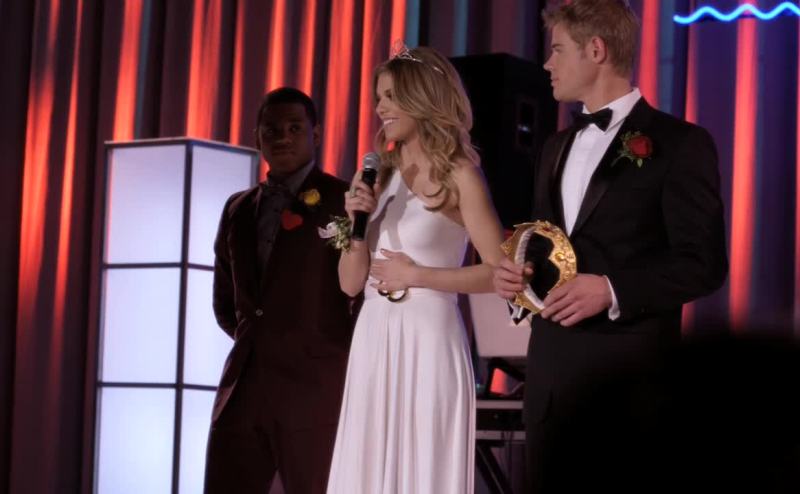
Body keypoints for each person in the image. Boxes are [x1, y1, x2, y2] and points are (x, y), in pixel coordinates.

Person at [492, 1, 728, 492]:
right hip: (550, 385)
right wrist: (518, 277)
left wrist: (612, 289)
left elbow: (703, 263)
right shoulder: (554, 146)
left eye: (558, 50)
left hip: (630, 387)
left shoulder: (681, 143)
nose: (547, 64)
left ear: (596, 50)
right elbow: (544, 247)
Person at [325, 45, 506, 493]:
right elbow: (350, 283)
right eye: (379, 97)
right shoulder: (378, 176)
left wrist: (419, 276)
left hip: (429, 337)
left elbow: (499, 274)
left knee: (421, 467)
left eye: (390, 96)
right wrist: (357, 223)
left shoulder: (460, 175)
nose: (379, 108)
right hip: (374, 336)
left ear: (421, 97)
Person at [205, 87, 354, 494]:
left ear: (316, 135)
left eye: (294, 128)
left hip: (317, 388)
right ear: (257, 137)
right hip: (244, 385)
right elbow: (225, 301)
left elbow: (358, 295)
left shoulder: (344, 200)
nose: (282, 138)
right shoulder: (237, 207)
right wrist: (257, 343)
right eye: (271, 130)